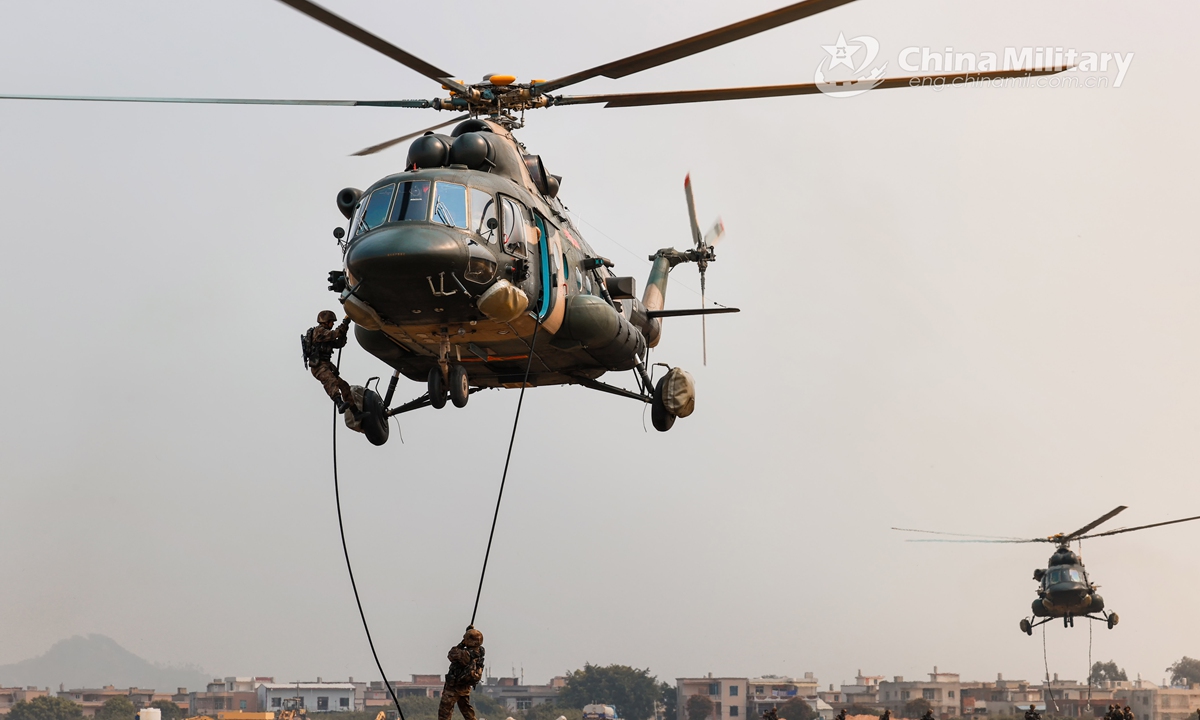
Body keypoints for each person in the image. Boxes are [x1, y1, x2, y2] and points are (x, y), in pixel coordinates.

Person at [305, 310, 356, 413]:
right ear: (325, 322)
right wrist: (344, 323)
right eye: (331, 322)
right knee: (331, 381)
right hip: (318, 367)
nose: (333, 324)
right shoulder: (319, 331)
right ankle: (339, 403)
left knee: (344, 385)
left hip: (326, 365)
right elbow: (334, 334)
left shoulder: (326, 336)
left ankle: (355, 411)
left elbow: (339, 344)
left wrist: (344, 331)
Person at [439, 626, 486, 720]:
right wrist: (469, 632)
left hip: (454, 687)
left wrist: (462, 643)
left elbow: (451, 654)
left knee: (444, 712)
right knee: (467, 711)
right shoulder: (480, 651)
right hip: (465, 687)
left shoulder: (464, 654)